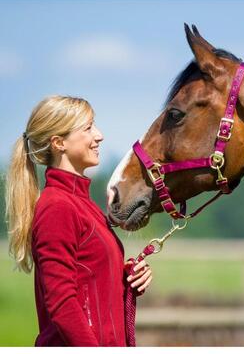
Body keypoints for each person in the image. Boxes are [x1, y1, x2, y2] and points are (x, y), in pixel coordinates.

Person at [5, 95, 153, 347]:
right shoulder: (57, 207)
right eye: (88, 128)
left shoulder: (83, 205)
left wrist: (126, 278)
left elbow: (86, 279)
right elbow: (62, 304)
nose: (99, 135)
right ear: (59, 142)